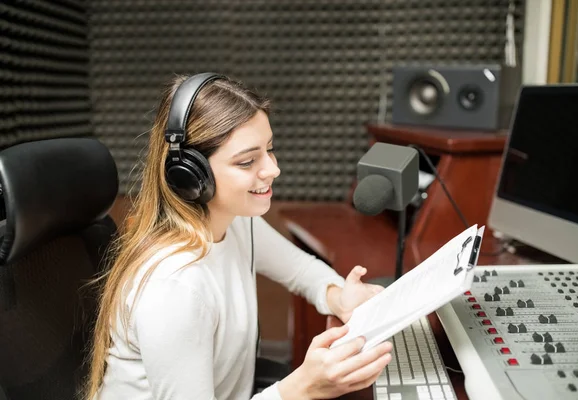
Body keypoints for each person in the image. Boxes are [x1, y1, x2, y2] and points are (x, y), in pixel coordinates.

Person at [85, 73, 393, 400]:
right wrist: (300, 388)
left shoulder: (235, 221)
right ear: (189, 175)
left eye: (269, 149)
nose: (272, 169)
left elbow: (301, 271)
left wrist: (337, 295)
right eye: (247, 161)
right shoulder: (175, 289)